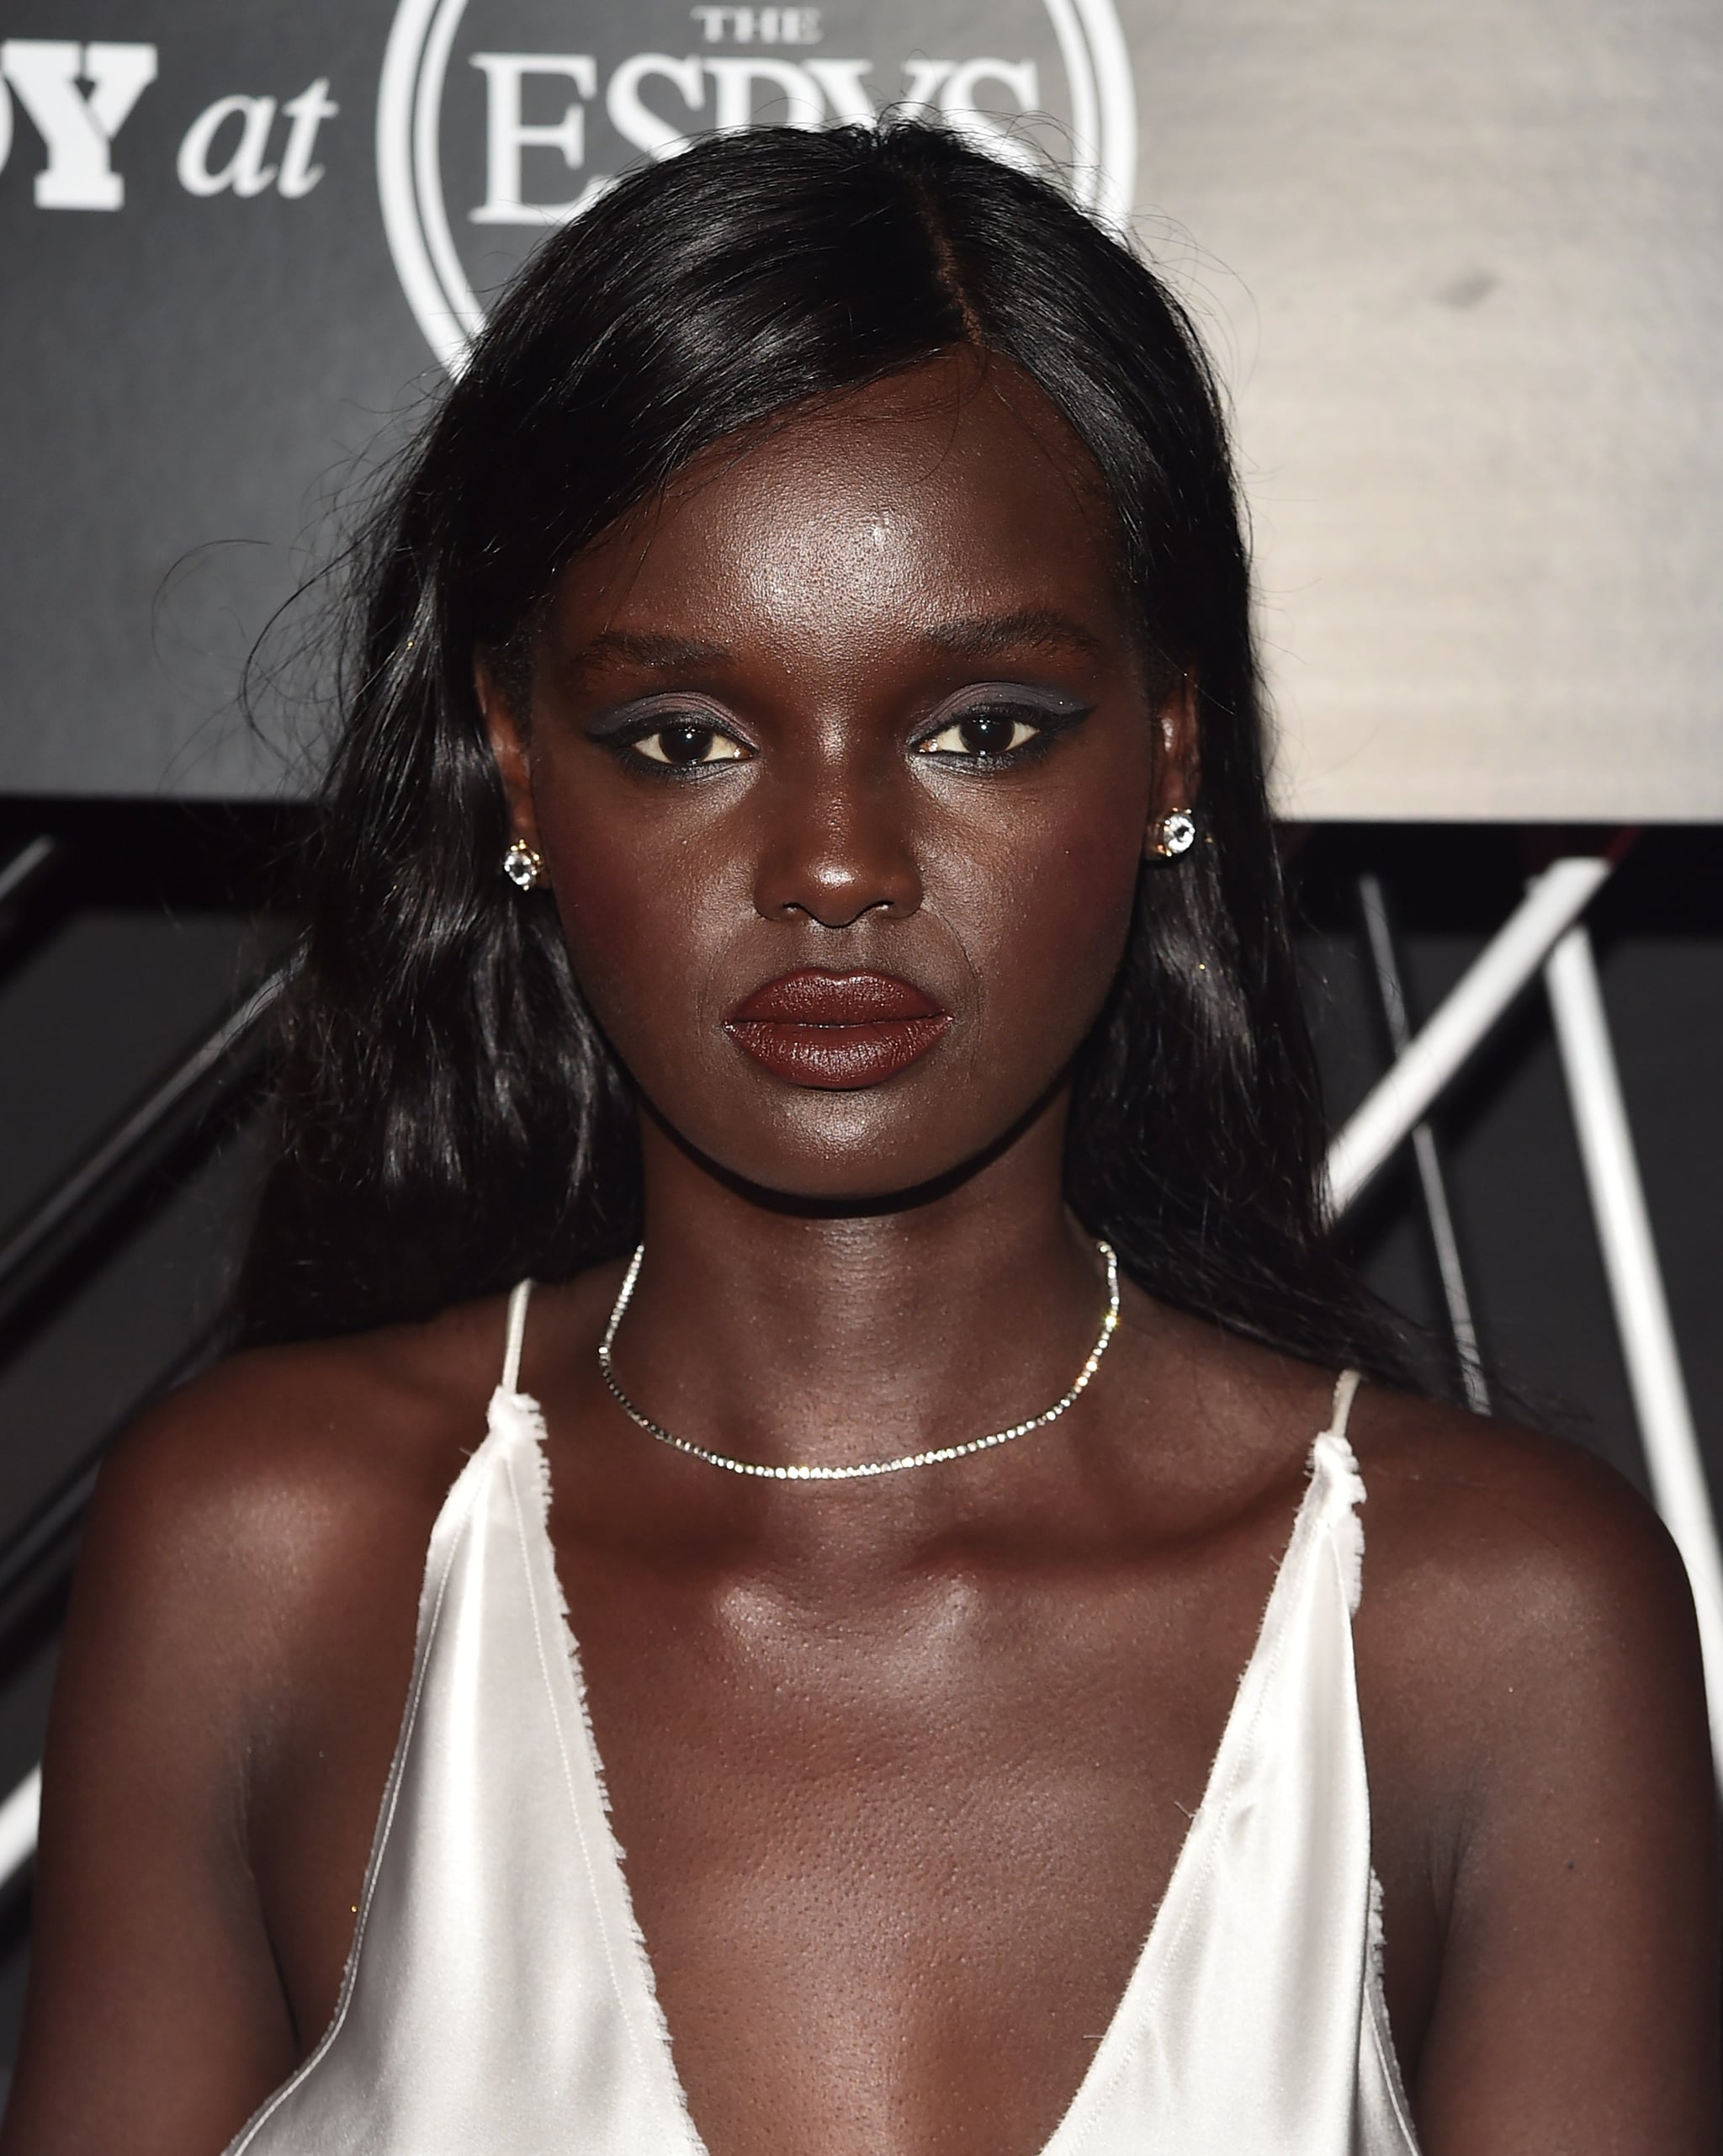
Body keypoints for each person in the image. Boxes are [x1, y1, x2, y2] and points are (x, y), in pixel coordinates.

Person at [2, 121, 1715, 2156]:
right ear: (517, 761)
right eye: (686, 736)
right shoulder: (269, 1558)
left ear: (1168, 741)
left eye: (979, 726)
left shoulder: (1489, 1619)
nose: (832, 865)